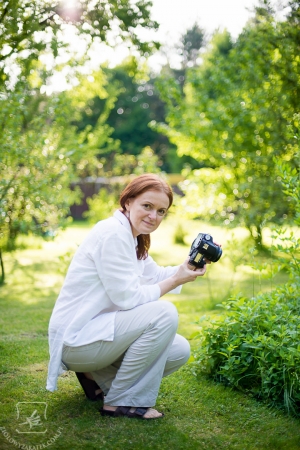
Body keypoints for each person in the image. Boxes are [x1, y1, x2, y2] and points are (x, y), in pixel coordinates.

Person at [46, 173, 210, 420]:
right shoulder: (113, 234)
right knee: (164, 314)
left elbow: (154, 275)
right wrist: (175, 281)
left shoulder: (131, 237)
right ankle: (122, 401)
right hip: (77, 338)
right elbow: (128, 299)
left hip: (98, 333)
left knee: (178, 350)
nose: (153, 216)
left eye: (161, 211)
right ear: (128, 201)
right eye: (147, 206)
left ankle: (95, 378)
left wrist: (185, 269)